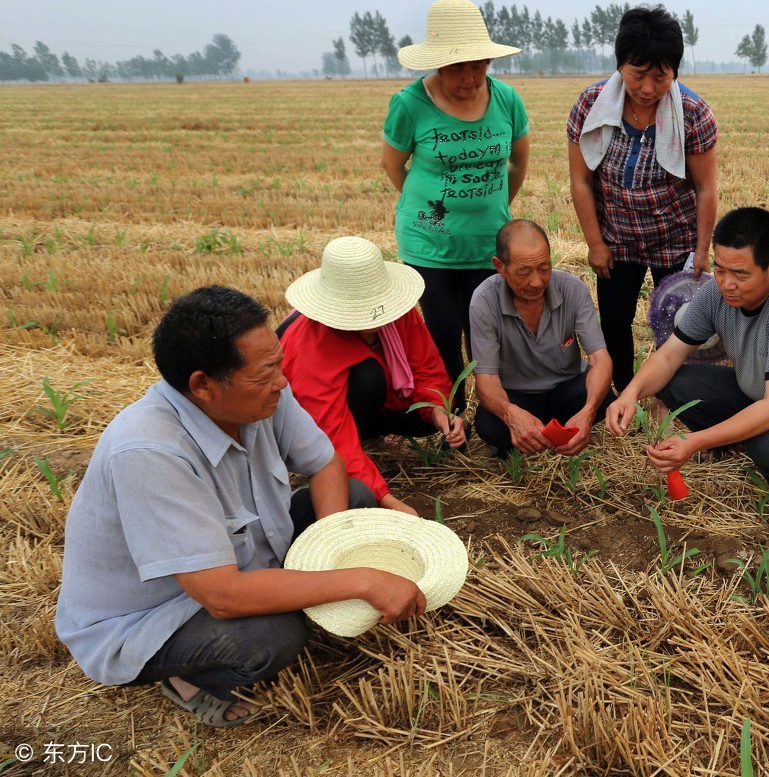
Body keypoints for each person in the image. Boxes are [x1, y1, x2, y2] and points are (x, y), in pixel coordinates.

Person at [55, 286, 426, 727]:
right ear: (203, 386)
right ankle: (191, 678)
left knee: (355, 495)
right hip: (163, 612)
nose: (282, 383)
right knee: (272, 637)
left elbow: (326, 464)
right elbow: (222, 596)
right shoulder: (150, 452)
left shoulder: (262, 393)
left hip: (244, 558)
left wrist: (331, 555)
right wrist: (362, 580)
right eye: (265, 373)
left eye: (278, 365)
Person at [605, 207, 769, 498]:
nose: (726, 283)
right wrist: (630, 394)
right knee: (676, 381)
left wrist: (694, 441)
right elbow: (669, 356)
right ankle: (737, 439)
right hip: (756, 393)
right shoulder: (715, 293)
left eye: (739, 274)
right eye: (720, 269)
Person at [382, 0, 530, 412]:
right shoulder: (410, 104)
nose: (469, 76)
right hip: (429, 245)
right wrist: (428, 211)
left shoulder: (507, 100)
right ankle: (452, 417)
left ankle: (494, 413)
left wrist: (492, 208)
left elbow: (518, 162)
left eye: (478, 64)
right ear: (435, 65)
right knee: (443, 330)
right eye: (456, 66)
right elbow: (395, 167)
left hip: (488, 242)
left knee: (484, 331)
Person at [567, 5, 718, 393]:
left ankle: (668, 394)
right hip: (617, 239)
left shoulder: (693, 113)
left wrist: (701, 251)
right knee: (614, 321)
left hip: (674, 237)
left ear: (675, 72)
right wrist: (595, 244)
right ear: (619, 65)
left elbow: (706, 188)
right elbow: (581, 180)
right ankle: (622, 391)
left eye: (660, 76)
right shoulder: (591, 105)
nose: (648, 88)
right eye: (638, 74)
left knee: (676, 322)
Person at [278, 236, 468, 513]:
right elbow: (331, 436)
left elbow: (426, 370)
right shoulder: (310, 344)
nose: (374, 323)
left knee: (429, 420)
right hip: (315, 425)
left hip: (374, 404)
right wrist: (387, 500)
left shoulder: (398, 313)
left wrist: (437, 410)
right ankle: (364, 443)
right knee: (368, 377)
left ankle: (372, 435)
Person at [470, 219, 613, 457]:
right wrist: (509, 413)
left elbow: (600, 359)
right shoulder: (484, 300)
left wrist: (587, 411)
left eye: (544, 268)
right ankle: (540, 430)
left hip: (565, 388)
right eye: (524, 272)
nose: (536, 282)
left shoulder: (573, 289)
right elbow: (487, 379)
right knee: (491, 427)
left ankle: (559, 428)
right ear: (500, 267)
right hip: (516, 396)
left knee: (603, 400)